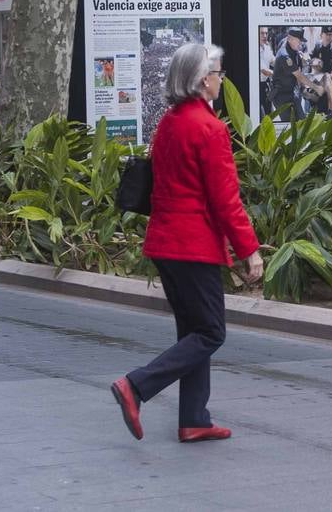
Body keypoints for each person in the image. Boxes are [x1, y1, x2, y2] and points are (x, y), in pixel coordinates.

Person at [111, 43, 263, 443]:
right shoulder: (209, 129)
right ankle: (137, 385)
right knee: (211, 332)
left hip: (165, 243)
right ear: (201, 80)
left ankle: (194, 417)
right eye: (217, 72)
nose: (220, 78)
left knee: (192, 331)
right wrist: (249, 249)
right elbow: (225, 198)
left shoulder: (169, 123)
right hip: (193, 246)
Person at [270, 27, 305, 120]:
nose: (300, 44)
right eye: (299, 41)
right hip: (281, 95)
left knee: (302, 121)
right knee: (290, 125)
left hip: (292, 92)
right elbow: (298, 75)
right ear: (291, 39)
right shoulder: (284, 54)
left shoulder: (292, 47)